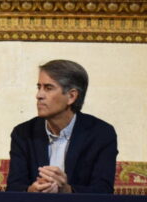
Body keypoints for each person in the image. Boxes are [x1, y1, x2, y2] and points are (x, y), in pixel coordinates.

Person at [6, 59, 117, 194]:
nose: (39, 95)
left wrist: (67, 191)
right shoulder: (23, 133)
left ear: (71, 96)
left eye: (48, 88)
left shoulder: (101, 133)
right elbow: (13, 188)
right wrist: (31, 191)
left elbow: (103, 191)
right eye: (38, 87)